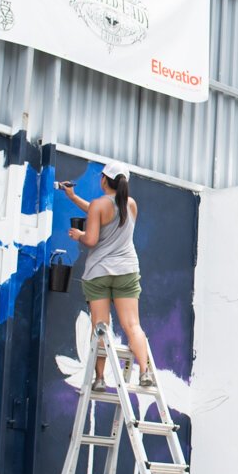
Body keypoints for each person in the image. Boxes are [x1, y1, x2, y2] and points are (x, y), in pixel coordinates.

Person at [57, 162, 152, 392]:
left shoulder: (99, 205)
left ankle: (99, 379)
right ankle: (145, 371)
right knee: (133, 325)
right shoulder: (131, 204)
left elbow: (91, 238)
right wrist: (73, 197)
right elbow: (100, 211)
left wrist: (79, 235)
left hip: (99, 273)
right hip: (127, 271)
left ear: (103, 180)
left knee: (101, 327)